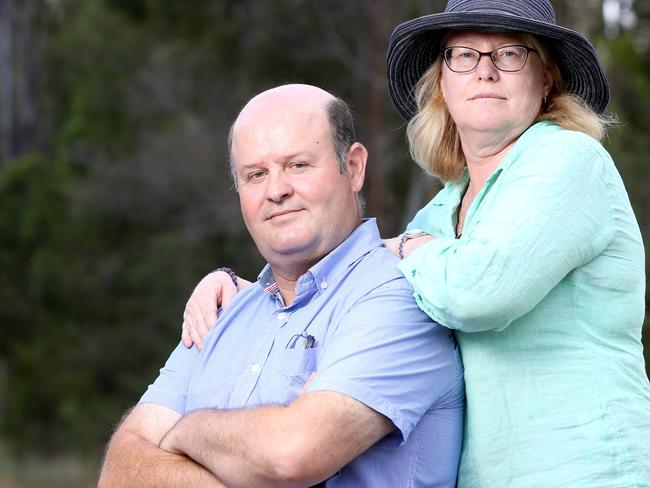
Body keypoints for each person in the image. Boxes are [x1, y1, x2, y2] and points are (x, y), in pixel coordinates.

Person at [181, 1, 650, 486]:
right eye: (463, 55)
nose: (485, 71)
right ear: (442, 83)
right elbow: (356, 273)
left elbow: (478, 291)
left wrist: (408, 249)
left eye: (510, 54)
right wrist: (246, 292)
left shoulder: (570, 159)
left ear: (546, 79)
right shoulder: (442, 211)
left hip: (588, 469)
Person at [98, 84, 464, 488]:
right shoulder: (222, 311)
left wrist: (186, 432)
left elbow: (292, 457)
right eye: (256, 175)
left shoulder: (398, 295)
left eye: (298, 165)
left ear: (354, 167)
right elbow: (120, 469)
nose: (276, 191)